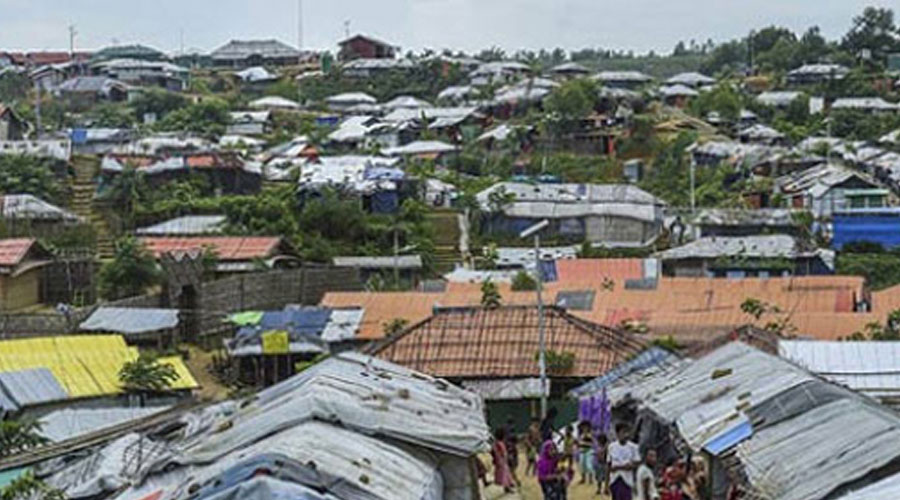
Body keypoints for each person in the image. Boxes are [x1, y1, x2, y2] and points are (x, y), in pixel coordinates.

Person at [606, 422, 640, 500]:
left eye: (627, 432)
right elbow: (609, 466)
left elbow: (636, 464)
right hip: (615, 480)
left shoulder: (633, 447)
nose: (626, 435)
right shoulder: (612, 447)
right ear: (617, 434)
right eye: (623, 432)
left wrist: (620, 467)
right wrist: (606, 485)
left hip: (627, 481)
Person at [491, 428, 515, 493]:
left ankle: (509, 485)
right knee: (505, 474)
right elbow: (503, 453)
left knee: (506, 473)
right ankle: (507, 487)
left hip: (500, 461)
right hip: (501, 461)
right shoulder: (499, 443)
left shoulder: (496, 443)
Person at [504, 417, 520, 485]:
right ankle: (515, 481)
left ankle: (511, 481)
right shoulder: (511, 431)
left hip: (509, 450)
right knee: (512, 467)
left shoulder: (505, 430)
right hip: (511, 451)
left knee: (510, 467)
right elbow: (515, 439)